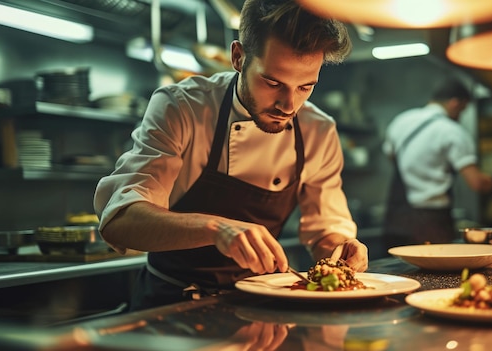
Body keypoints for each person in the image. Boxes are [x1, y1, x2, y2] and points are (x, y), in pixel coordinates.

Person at [93, 0, 368, 311]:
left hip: (259, 306)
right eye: (272, 82)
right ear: (238, 57)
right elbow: (120, 220)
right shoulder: (182, 107)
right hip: (170, 304)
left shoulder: (318, 130)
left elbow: (325, 228)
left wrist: (339, 250)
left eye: (305, 87)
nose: (288, 105)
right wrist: (216, 228)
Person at [381, 77, 492, 247]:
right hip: (431, 222)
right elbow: (476, 183)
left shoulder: (401, 121)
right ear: (454, 103)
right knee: (434, 272)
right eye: (462, 110)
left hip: (395, 217)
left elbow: (392, 157)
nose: (460, 115)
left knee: (395, 271)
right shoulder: (453, 132)